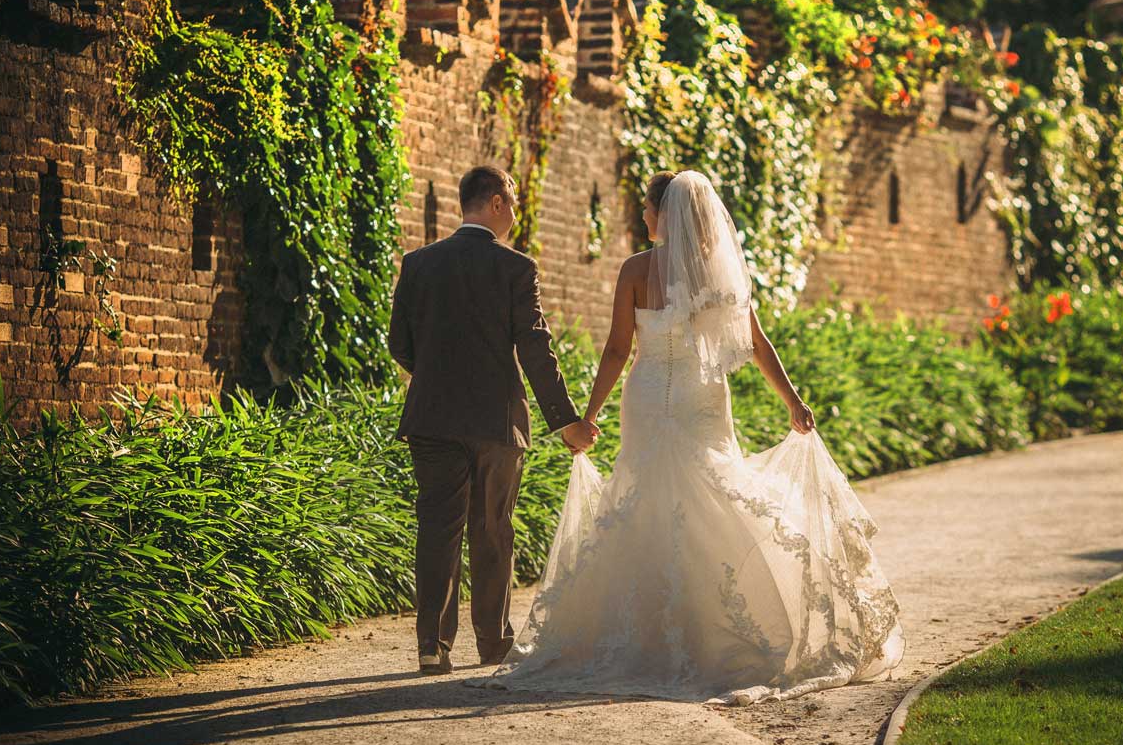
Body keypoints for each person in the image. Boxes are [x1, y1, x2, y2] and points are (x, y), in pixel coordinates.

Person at [469, 170, 904, 706]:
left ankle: (652, 632)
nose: (643, 217)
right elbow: (758, 344)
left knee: (647, 499)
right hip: (702, 397)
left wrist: (586, 417)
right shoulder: (718, 273)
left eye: (648, 209)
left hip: (649, 395)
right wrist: (793, 402)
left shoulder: (635, 270)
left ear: (665, 213)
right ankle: (719, 625)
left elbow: (615, 350)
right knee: (715, 493)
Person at [387, 165, 600, 676]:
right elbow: (535, 350)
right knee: (492, 530)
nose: (516, 212)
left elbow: (400, 344)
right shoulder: (515, 269)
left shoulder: (418, 264)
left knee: (437, 528)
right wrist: (565, 420)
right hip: (497, 422)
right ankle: (492, 644)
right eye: (515, 200)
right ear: (498, 203)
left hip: (432, 419)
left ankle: (431, 646)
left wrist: (438, 377)